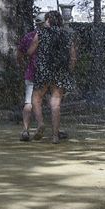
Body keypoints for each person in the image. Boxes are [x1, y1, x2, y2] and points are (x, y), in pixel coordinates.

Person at [28, 10, 77, 143]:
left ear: (48, 21)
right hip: (60, 71)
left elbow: (30, 51)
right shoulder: (67, 35)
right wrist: (69, 71)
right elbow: (73, 57)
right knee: (56, 103)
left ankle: (40, 124)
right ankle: (55, 136)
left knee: (36, 99)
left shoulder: (41, 33)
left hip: (44, 70)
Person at [16, 18, 41, 140]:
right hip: (49, 76)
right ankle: (55, 131)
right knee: (54, 102)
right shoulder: (51, 37)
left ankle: (25, 130)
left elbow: (19, 54)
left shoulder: (28, 37)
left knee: (28, 102)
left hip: (31, 73)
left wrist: (23, 66)